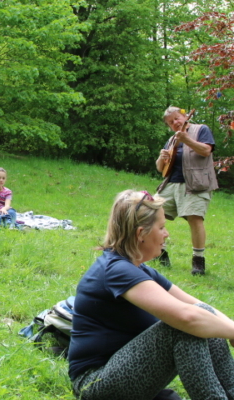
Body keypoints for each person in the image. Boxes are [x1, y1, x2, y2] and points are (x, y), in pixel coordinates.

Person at [68, 189, 234, 400]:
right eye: (162, 227)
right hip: (95, 384)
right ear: (140, 234)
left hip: (128, 375)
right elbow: (188, 317)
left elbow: (199, 307)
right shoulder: (116, 270)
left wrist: (229, 328)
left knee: (204, 316)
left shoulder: (139, 269)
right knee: (183, 327)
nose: (167, 234)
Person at [156, 106, 218, 275]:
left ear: (184, 116)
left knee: (194, 218)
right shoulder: (171, 139)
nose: (175, 123)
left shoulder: (201, 129)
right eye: (171, 122)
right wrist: (161, 158)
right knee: (151, 212)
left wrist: (186, 139)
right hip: (171, 184)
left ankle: (198, 261)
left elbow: (206, 150)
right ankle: (160, 253)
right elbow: (161, 169)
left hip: (196, 183)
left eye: (177, 118)